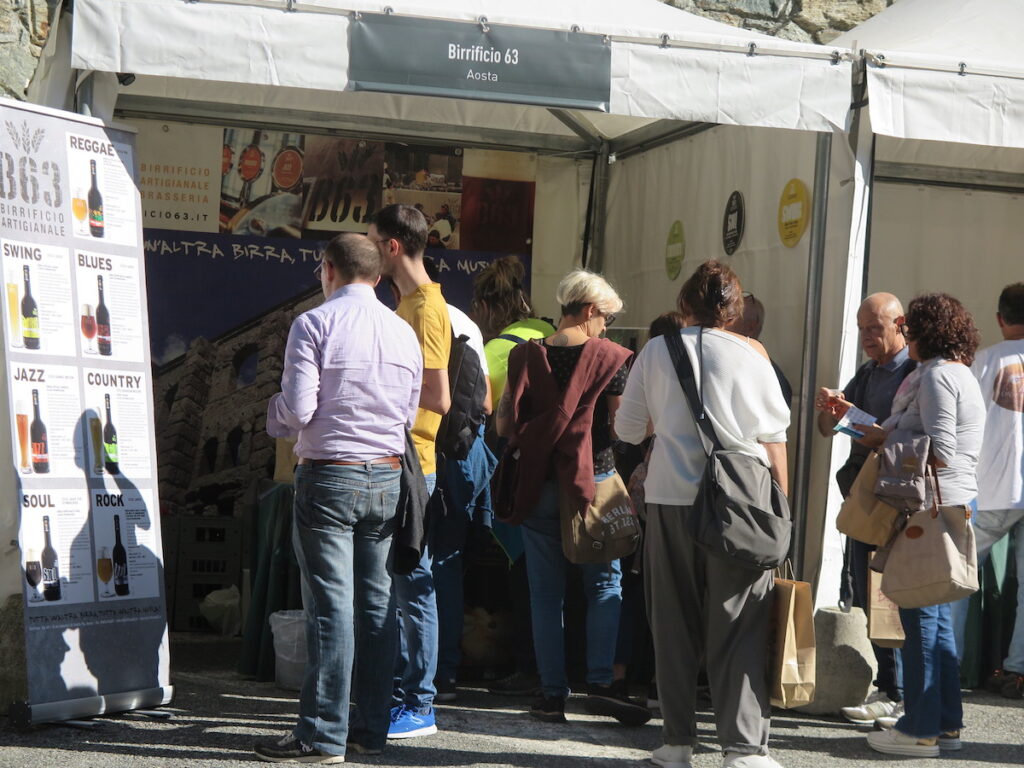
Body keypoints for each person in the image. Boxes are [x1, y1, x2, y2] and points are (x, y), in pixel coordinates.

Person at [255, 234, 422, 764]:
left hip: (329, 476)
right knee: (377, 607)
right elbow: (410, 413)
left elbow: (299, 409)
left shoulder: (314, 324)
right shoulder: (402, 332)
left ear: (327, 269)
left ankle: (322, 735)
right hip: (387, 476)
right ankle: (370, 730)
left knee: (330, 608)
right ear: (377, 276)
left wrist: (271, 412)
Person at [616, 260, 790, 768]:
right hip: (742, 501)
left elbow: (628, 431)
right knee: (738, 624)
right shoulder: (753, 354)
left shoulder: (655, 350)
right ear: (733, 311)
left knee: (671, 623)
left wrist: (667, 417)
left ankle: (676, 744)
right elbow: (774, 442)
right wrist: (782, 509)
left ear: (684, 303)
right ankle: (742, 750)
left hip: (670, 498)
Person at [495, 268, 649, 726]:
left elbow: (505, 423)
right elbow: (623, 429)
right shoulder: (612, 358)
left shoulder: (526, 355)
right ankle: (601, 682)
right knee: (604, 585)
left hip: (538, 484)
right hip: (593, 485)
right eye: (605, 317)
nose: (607, 327)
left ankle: (550, 693)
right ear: (587, 311)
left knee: (545, 595)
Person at [851, 293, 984, 757]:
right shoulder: (955, 373)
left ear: (920, 330)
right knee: (936, 616)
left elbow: (941, 446)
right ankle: (945, 723)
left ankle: (919, 729)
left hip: (930, 505)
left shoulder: (936, 378)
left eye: (908, 325)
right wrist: (882, 432)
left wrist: (890, 439)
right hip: (948, 502)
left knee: (920, 616)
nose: (903, 333)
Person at [368, 204, 451, 740]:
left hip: (414, 463)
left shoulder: (424, 309)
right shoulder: (410, 305)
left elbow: (439, 396)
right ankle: (406, 696)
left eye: (372, 240)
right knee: (402, 582)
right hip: (401, 459)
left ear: (393, 247)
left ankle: (418, 702)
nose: (367, 249)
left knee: (412, 583)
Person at [814, 292, 916, 724]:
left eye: (875, 328)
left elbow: (903, 438)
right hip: (863, 495)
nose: (867, 337)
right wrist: (832, 407)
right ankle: (888, 687)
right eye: (862, 329)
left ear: (901, 324)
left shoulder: (914, 372)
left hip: (896, 499)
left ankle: (902, 692)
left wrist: (864, 427)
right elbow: (826, 428)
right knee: (864, 589)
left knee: (895, 596)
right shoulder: (868, 372)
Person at [470, 255, 555, 696]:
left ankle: (528, 666)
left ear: (485, 306)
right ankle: (556, 667)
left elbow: (486, 416)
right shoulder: (548, 331)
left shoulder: (494, 350)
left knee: (524, 576)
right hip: (562, 467)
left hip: (519, 475)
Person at [418, 258, 496, 703]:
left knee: (411, 565)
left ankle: (418, 671)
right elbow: (484, 397)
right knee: (445, 564)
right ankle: (442, 672)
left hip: (424, 451)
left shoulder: (407, 318)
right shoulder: (464, 319)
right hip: (462, 456)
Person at [960, 282, 1024, 699]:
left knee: (956, 577)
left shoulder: (985, 361)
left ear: (1000, 319)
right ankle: (1018, 670)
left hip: (994, 491)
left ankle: (943, 668)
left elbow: (966, 426)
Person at [727, 293, 793, 406]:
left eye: (730, 319)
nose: (721, 326)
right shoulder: (728, 362)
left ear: (750, 327)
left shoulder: (771, 376)